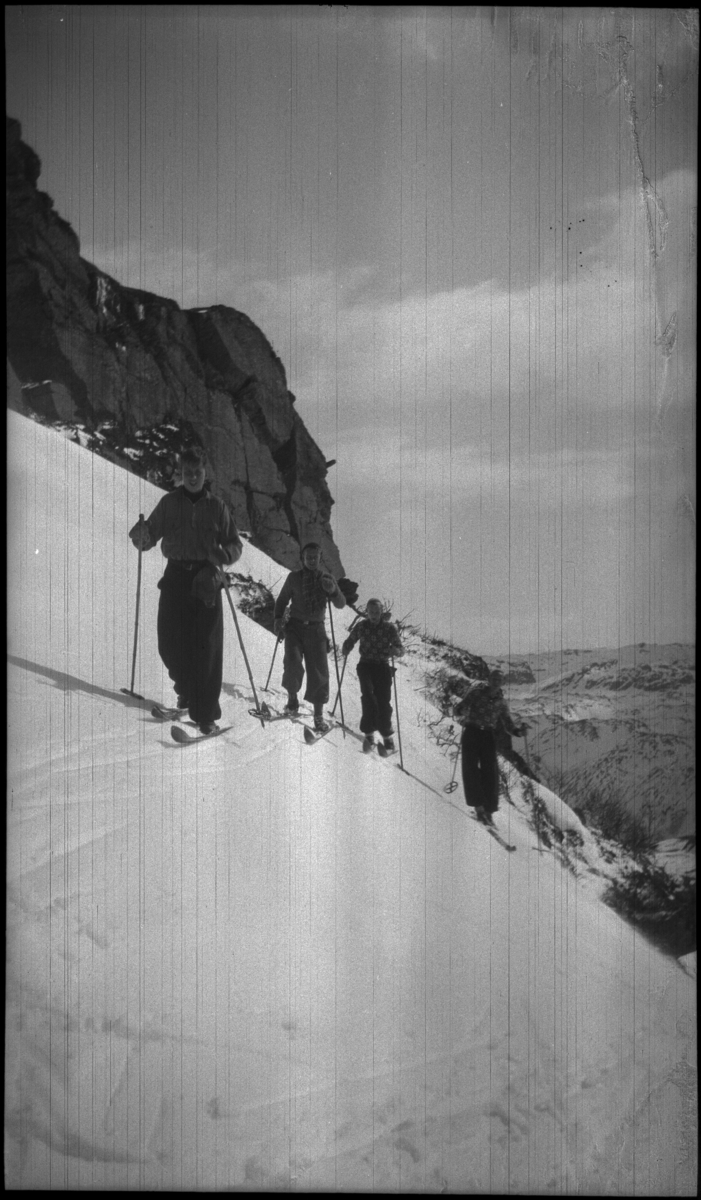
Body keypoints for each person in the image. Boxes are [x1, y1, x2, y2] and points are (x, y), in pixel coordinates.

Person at [129, 445, 243, 734]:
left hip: (207, 578)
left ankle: (205, 715)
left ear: (205, 473)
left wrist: (223, 556)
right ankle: (186, 691)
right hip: (176, 576)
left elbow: (234, 544)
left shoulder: (217, 507)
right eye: (187, 472)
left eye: (198, 472)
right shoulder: (169, 503)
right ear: (181, 474)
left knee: (206, 649)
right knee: (169, 643)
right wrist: (141, 534)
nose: (193, 477)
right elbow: (150, 533)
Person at [273, 542, 346, 732]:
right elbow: (282, 600)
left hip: (316, 631)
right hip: (295, 628)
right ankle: (292, 700)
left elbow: (340, 603)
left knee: (319, 672)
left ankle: (318, 715)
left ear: (320, 558)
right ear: (303, 559)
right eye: (308, 557)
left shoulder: (326, 579)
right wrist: (278, 619)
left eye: (315, 557)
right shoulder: (294, 578)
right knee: (292, 663)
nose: (312, 560)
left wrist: (333, 591)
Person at [452, 669, 527, 826]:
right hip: (472, 731)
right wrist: (460, 710)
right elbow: (460, 707)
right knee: (470, 768)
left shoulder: (501, 703)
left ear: (502, 683)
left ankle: (489, 811)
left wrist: (518, 732)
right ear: (489, 679)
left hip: (487, 735)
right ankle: (479, 808)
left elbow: (508, 724)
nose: (496, 682)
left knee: (490, 773)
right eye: (494, 679)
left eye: (499, 680)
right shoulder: (476, 693)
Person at [341, 599, 404, 752]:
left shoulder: (389, 629)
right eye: (371, 612)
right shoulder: (362, 626)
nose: (374, 615)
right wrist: (346, 646)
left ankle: (387, 736)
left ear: (381, 612)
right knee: (368, 696)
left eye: (376, 612)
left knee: (383, 702)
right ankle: (369, 733)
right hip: (366, 665)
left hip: (382, 667)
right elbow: (351, 639)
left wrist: (396, 651)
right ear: (367, 612)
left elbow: (400, 649)